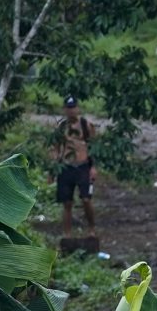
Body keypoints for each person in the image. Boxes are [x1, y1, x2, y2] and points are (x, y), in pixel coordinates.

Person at [54, 98, 98, 240]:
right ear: (64, 109)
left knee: (86, 199)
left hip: (83, 166)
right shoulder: (61, 127)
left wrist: (93, 167)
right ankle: (67, 234)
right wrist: (53, 168)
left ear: (77, 108)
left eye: (73, 107)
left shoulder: (86, 125)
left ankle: (91, 229)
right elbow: (55, 148)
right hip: (66, 166)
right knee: (67, 203)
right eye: (68, 107)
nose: (71, 110)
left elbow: (94, 147)